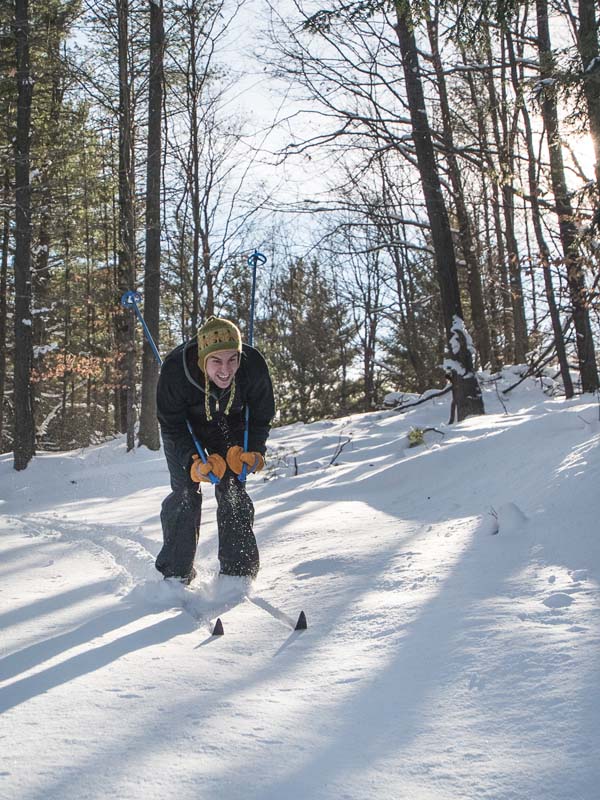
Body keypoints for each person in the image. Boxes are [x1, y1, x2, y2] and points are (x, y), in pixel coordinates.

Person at [155, 316, 275, 584]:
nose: (226, 369)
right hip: (183, 427)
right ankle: (176, 573)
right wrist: (193, 461)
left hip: (226, 422)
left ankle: (238, 572)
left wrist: (253, 451)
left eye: (233, 359)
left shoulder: (253, 366)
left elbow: (261, 415)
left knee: (232, 482)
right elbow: (171, 424)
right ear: (202, 357)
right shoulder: (176, 370)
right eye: (217, 361)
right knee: (186, 489)